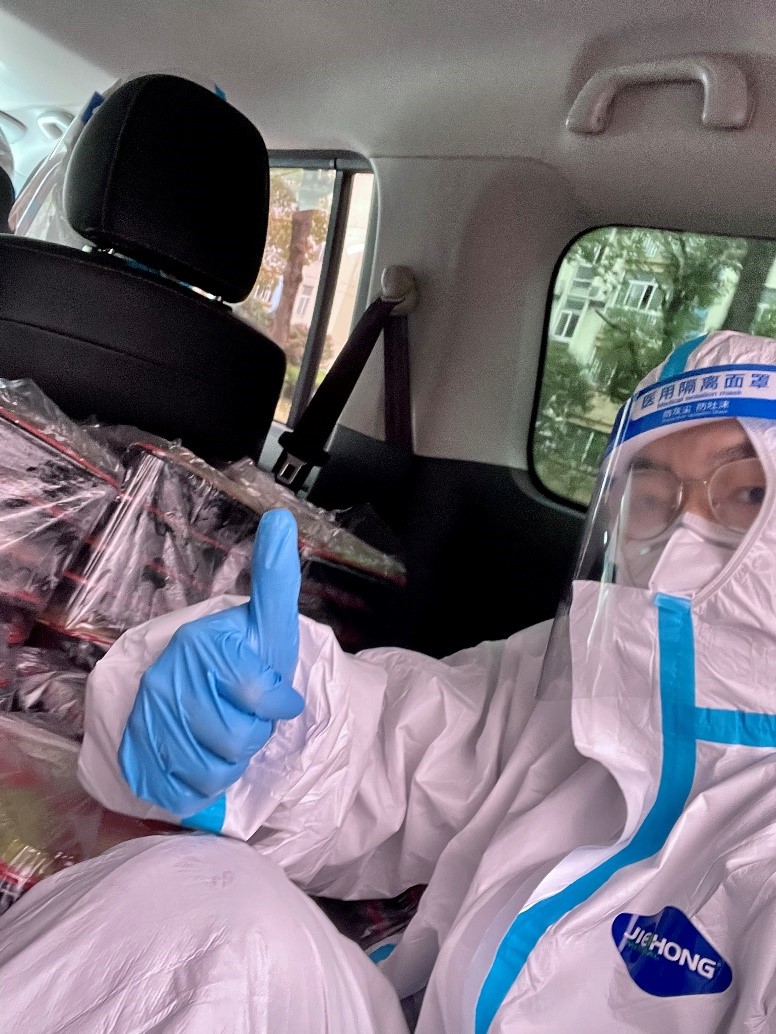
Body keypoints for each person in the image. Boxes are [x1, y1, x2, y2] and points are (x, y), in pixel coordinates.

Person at [2, 329, 776, 1033]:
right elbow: (391, 752)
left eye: (745, 495)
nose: (680, 536)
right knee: (191, 900)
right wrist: (262, 729)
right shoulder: (573, 680)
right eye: (651, 498)